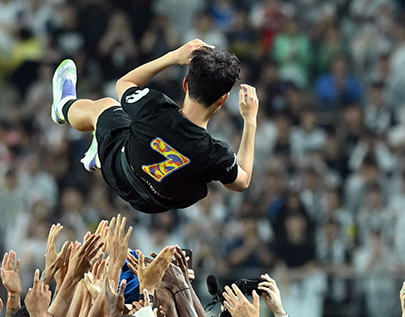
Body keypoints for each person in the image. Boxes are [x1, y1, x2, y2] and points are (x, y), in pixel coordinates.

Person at [50, 40, 257, 213]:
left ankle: (63, 106)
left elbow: (124, 83)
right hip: (156, 205)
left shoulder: (155, 108)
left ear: (186, 83)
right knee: (128, 122)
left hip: (120, 171)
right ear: (223, 99)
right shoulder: (215, 154)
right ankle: (99, 148)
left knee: (106, 106)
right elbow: (243, 181)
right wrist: (250, 120)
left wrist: (173, 57)